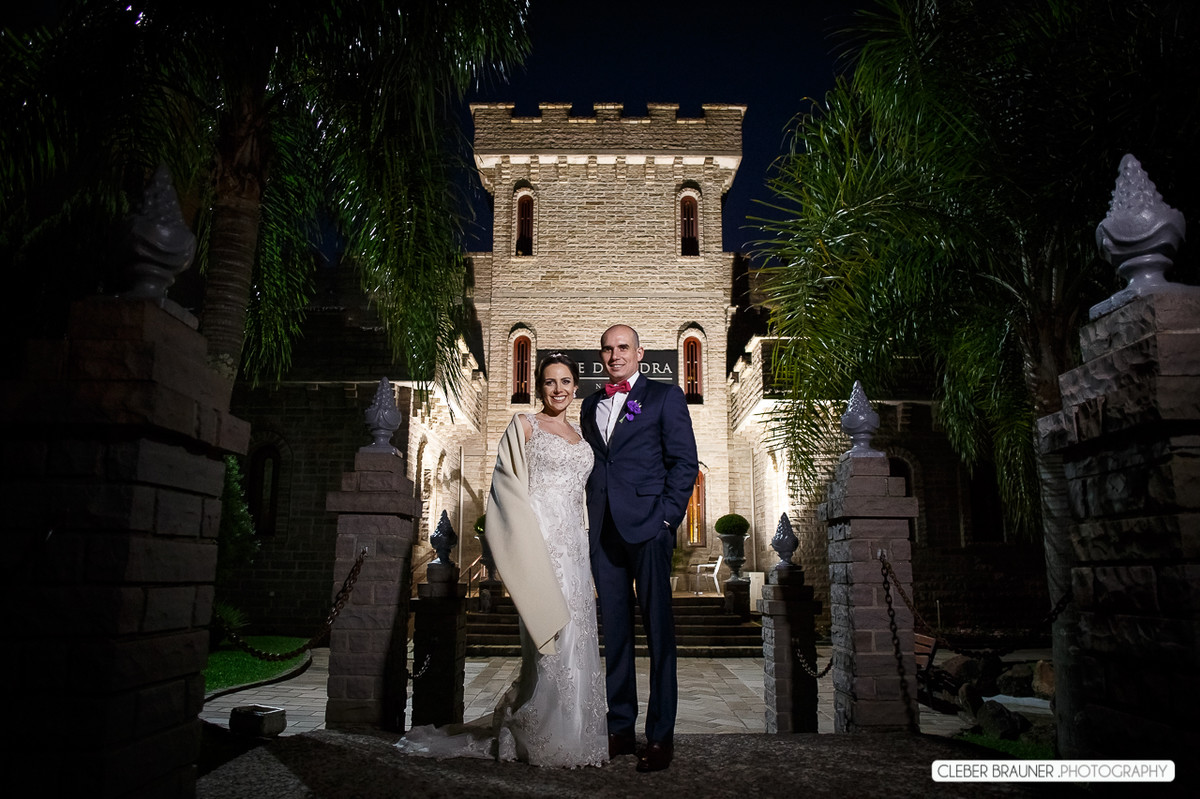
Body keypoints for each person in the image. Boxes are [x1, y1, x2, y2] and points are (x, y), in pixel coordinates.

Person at [396, 353, 607, 768]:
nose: (558, 389)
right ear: (539, 386)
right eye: (550, 382)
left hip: (575, 550)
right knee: (550, 637)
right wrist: (525, 549)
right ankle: (541, 735)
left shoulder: (583, 435)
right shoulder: (524, 425)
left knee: (579, 637)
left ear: (576, 386)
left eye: (566, 381)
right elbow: (505, 492)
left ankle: (576, 734)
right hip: (540, 546)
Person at [580, 324, 699, 773]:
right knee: (616, 633)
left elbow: (684, 462)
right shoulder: (590, 404)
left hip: (650, 528)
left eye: (623, 347)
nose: (615, 355)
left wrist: (667, 519)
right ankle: (621, 728)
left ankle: (661, 736)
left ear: (640, 352)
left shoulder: (665, 397)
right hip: (604, 532)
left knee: (658, 633)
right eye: (607, 349)